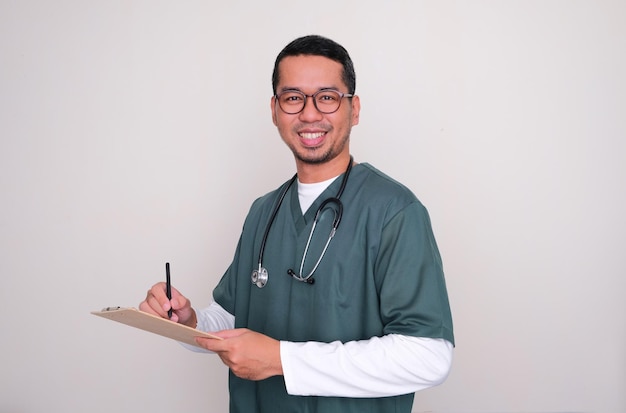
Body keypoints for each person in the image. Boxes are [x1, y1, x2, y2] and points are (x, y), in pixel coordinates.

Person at [140, 34, 454, 413]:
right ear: (274, 110)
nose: (309, 114)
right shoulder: (264, 211)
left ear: (353, 109)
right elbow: (232, 319)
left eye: (327, 97)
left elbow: (429, 355)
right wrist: (189, 321)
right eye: (293, 98)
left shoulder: (394, 211)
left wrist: (282, 360)